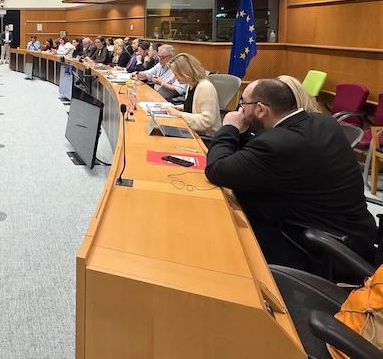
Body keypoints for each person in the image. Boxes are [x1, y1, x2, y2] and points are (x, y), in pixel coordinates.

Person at [205, 78, 377, 269]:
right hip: (355, 235)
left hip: (319, 248)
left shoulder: (276, 144)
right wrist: (244, 131)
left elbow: (217, 170)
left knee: (219, 236)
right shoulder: (323, 121)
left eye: (243, 103)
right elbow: (251, 157)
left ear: (261, 109)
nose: (241, 110)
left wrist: (229, 128)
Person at [161, 53, 220, 137]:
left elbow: (207, 121)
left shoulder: (205, 87)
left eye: (176, 74)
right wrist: (175, 108)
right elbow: (192, 106)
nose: (175, 78)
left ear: (186, 72)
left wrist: (179, 114)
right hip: (191, 130)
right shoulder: (190, 84)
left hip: (204, 136)